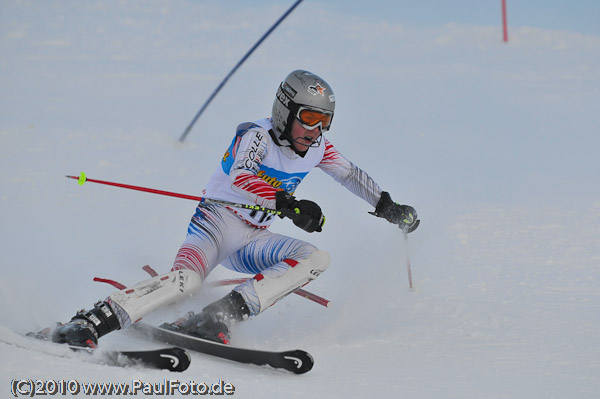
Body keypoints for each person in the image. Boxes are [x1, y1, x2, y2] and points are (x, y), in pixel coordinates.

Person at [51, 70, 420, 348]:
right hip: (214, 225)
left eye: (324, 122)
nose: (316, 130)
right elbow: (243, 175)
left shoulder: (319, 148)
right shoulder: (255, 135)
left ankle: (220, 315)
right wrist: (289, 205)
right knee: (188, 282)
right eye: (309, 118)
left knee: (315, 258)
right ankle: (89, 322)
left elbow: (351, 175)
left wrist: (388, 207)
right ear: (285, 110)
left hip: (251, 241)